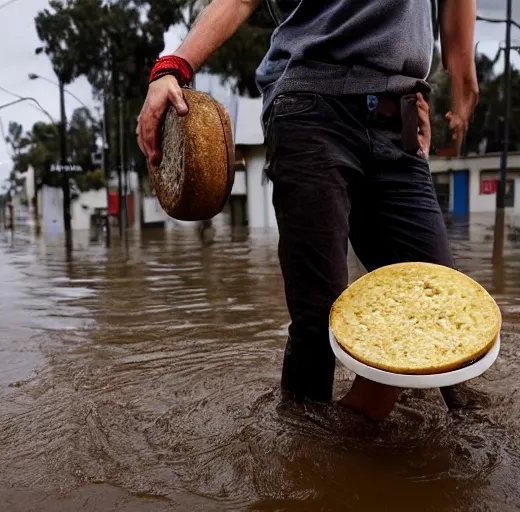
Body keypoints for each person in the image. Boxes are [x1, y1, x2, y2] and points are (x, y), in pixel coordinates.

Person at [137, 0, 479, 421]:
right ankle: (306, 467)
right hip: (311, 107)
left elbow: (458, 31)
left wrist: (456, 102)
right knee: (318, 320)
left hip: (401, 118)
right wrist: (172, 66)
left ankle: (389, 437)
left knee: (439, 301)